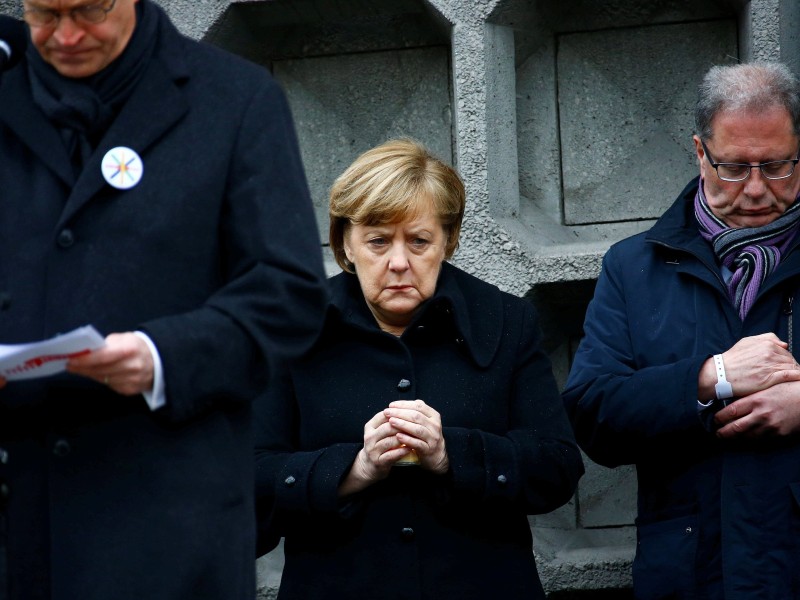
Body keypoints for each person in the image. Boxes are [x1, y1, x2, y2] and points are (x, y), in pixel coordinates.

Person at [0, 1, 328, 599]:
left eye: (89, 11)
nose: (67, 35)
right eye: (46, 13)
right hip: (15, 518)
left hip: (161, 530)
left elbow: (289, 292)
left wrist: (161, 357)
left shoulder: (234, 99)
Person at [253, 138, 584, 600]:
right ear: (345, 242)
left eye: (420, 241)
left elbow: (557, 468)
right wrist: (355, 468)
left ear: (448, 240)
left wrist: (451, 455)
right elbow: (246, 491)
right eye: (377, 241)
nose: (398, 263)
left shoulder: (506, 321)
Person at [562, 61, 800, 599]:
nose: (758, 189)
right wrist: (710, 377)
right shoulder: (633, 267)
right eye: (734, 168)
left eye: (778, 166)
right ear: (700, 153)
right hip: (692, 574)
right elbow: (591, 414)